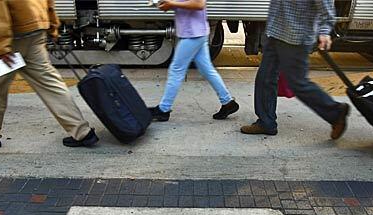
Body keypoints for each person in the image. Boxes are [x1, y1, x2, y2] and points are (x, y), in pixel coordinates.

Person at [0, 0, 98, 150]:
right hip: (33, 29)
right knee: (49, 83)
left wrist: (1, 44)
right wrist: (52, 23)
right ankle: (82, 132)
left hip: (9, 36)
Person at [240, 0, 350, 139]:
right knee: (265, 78)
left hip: (296, 36)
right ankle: (266, 122)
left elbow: (326, 8)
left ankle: (335, 112)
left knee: (298, 83)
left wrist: (324, 32)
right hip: (276, 31)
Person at [149, 0, 239, 122]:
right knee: (207, 70)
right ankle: (228, 102)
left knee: (176, 70)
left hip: (192, 34)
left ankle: (163, 109)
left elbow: (199, 4)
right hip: (196, 32)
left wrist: (172, 4)